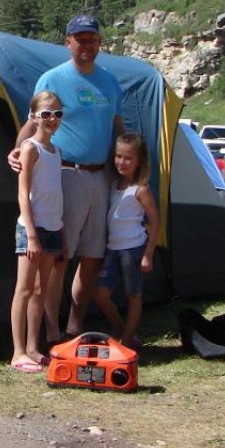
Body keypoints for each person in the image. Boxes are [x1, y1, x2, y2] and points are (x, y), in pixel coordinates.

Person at [9, 14, 124, 342]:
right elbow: (33, 122)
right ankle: (49, 329)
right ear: (68, 42)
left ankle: (75, 324)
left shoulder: (110, 82)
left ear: (101, 42)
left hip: (101, 176)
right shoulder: (53, 78)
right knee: (60, 257)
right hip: (66, 174)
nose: (87, 45)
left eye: (92, 39)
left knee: (92, 254)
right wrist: (17, 151)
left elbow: (117, 126)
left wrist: (125, 165)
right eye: (80, 39)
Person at [10, 91, 64, 373]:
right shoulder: (30, 148)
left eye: (57, 114)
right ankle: (18, 351)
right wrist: (31, 234)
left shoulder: (56, 151)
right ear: (34, 117)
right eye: (46, 114)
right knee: (25, 288)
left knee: (42, 289)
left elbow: (54, 192)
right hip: (32, 229)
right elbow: (23, 194)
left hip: (53, 227)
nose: (52, 119)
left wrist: (61, 228)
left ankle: (33, 346)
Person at [92, 132, 160, 347]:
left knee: (133, 295)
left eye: (128, 158)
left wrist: (148, 255)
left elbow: (155, 222)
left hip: (133, 250)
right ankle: (123, 331)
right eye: (118, 157)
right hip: (113, 249)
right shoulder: (113, 184)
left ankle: (127, 342)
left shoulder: (141, 190)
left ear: (139, 161)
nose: (122, 162)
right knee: (101, 295)